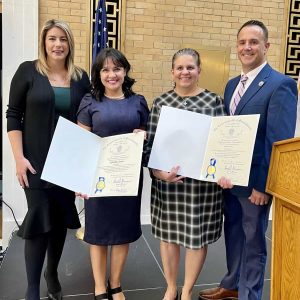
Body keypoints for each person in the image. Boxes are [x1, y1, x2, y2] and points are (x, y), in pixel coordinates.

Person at [198, 20, 298, 300]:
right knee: (233, 234)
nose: (247, 47)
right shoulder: (231, 85)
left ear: (266, 46)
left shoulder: (281, 84)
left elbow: (278, 142)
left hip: (255, 183)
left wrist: (263, 186)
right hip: (229, 180)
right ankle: (232, 284)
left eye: (254, 42)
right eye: (242, 42)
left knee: (253, 241)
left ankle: (249, 294)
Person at [6, 19, 90, 300]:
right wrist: (18, 158)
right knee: (40, 220)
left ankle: (51, 272)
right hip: (36, 163)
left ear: (70, 44)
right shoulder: (27, 71)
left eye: (63, 39)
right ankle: (32, 289)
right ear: (44, 42)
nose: (58, 44)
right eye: (52, 38)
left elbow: (88, 118)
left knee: (58, 222)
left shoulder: (80, 77)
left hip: (68, 163)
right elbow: (13, 114)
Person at [143, 48, 226, 300]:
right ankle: (171, 287)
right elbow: (150, 146)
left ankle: (187, 290)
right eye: (179, 67)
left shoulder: (214, 102)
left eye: (190, 67)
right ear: (172, 72)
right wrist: (159, 173)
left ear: (199, 71)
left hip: (202, 188)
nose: (185, 72)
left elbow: (223, 143)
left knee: (195, 238)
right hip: (169, 186)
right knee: (168, 237)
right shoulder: (160, 102)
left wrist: (223, 169)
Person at [77, 48, 149, 300]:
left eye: (116, 68)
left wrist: (143, 135)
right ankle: (99, 286)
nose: (111, 74)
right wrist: (80, 178)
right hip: (99, 179)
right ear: (98, 73)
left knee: (122, 233)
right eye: (105, 69)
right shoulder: (90, 101)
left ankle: (115, 283)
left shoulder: (138, 101)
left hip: (127, 180)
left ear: (125, 70)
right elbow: (82, 143)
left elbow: (144, 137)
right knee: (97, 234)